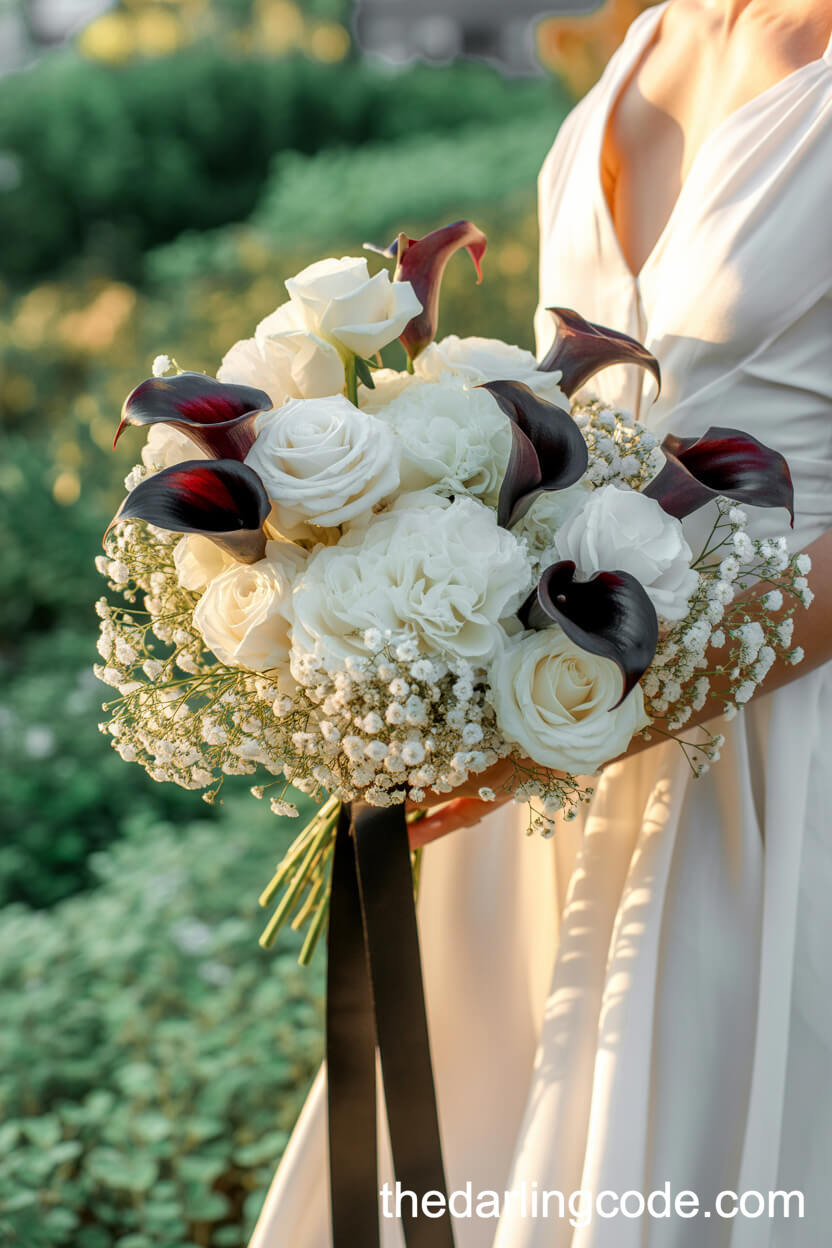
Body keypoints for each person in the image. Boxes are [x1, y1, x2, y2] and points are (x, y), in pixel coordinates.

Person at [248, 2, 832, 1243]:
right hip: (568, 702)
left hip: (772, 729)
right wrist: (426, 603)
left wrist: (589, 717)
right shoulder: (657, 24)